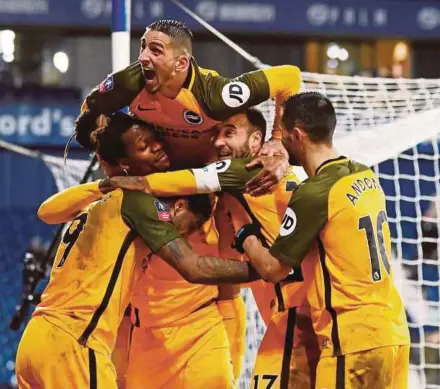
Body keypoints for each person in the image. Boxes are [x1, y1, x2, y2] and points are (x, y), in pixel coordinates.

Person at [58, 108, 319, 388]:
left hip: (205, 330)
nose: (217, 142)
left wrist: (278, 142)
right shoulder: (130, 203)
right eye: (144, 146)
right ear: (123, 161)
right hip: (144, 337)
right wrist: (103, 186)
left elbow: (223, 286)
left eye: (227, 133)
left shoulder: (220, 191)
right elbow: (49, 211)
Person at [15, 113, 260, 389]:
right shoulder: (138, 203)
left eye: (156, 140)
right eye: (144, 146)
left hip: (36, 340)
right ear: (125, 164)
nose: (157, 147)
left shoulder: (96, 203)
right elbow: (193, 267)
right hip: (76, 342)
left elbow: (47, 211)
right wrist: (263, 270)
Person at [233, 92, 411, 388]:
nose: (281, 148)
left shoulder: (315, 192)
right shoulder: (365, 175)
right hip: (393, 332)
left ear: (298, 136)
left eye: (284, 139)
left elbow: (273, 268)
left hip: (352, 339)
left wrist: (244, 232)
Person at [77, 19, 300, 190]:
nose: (143, 57)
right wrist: (113, 164)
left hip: (205, 178)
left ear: (181, 63)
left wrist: (278, 139)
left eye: (155, 50)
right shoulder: (128, 83)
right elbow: (89, 115)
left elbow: (290, 77)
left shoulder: (215, 97)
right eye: (142, 47)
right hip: (159, 175)